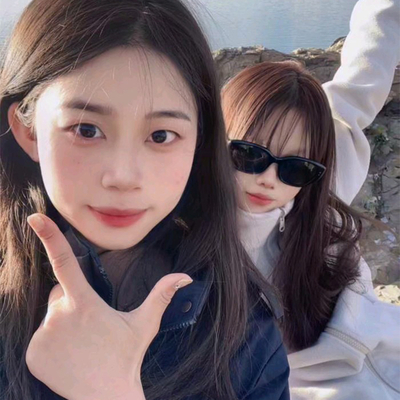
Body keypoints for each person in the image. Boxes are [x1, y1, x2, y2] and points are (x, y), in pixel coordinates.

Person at [0, 0, 290, 399]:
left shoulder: (247, 335)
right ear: (29, 131)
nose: (123, 177)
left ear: (199, 142)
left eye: (160, 136)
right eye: (86, 129)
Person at [221, 0, 400, 399]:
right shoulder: (184, 236)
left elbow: (364, 76)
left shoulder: (319, 190)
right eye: (249, 154)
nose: (269, 179)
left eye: (295, 167)